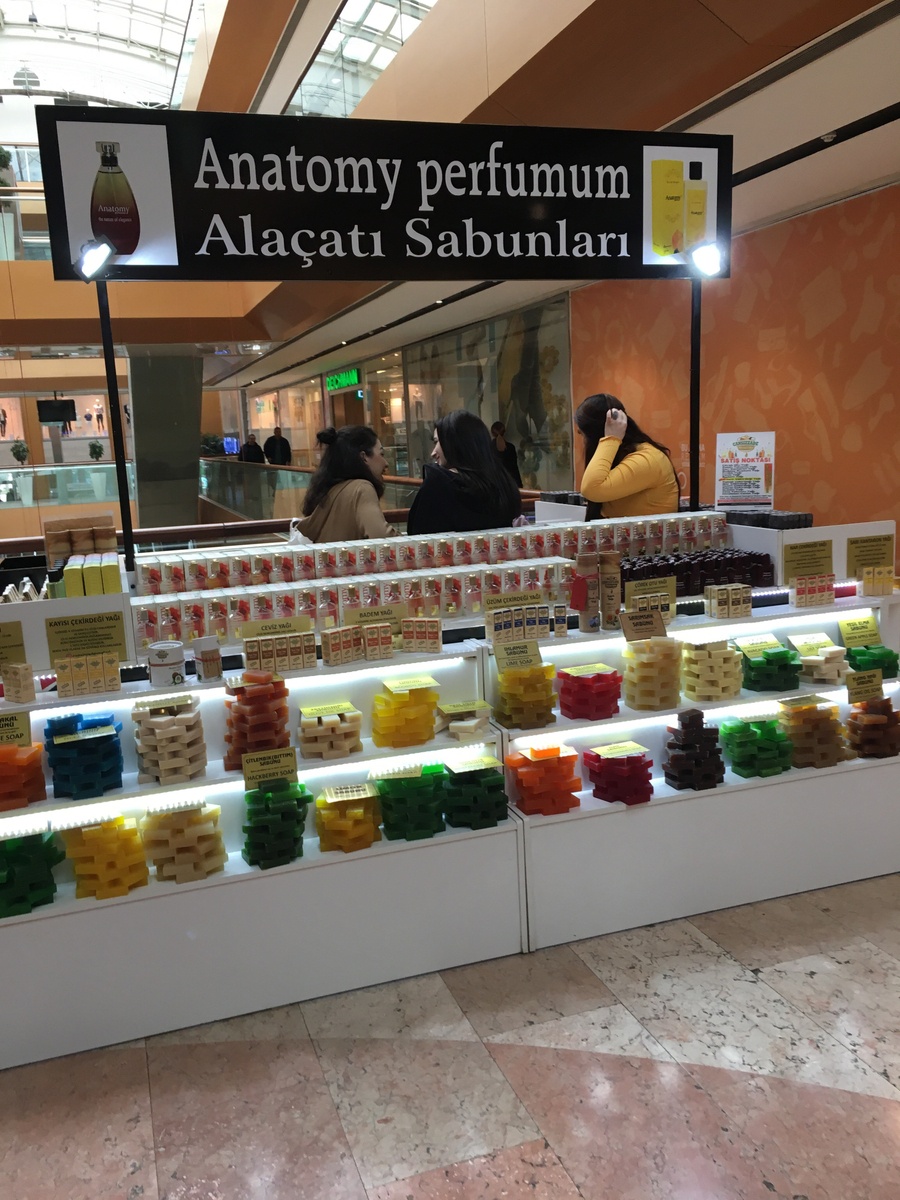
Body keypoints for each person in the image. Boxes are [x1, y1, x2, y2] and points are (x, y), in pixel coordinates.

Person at [406, 410, 522, 535]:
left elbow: (418, 534)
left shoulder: (438, 485)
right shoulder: (505, 486)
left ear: (452, 443)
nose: (433, 453)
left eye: (437, 442)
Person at [576, 393, 679, 518]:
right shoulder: (621, 456)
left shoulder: (647, 459)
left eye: (582, 434)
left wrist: (611, 438)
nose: (584, 442)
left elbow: (591, 489)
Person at [296, 425, 396, 542]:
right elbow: (382, 537)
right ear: (363, 457)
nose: (385, 463)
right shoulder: (362, 489)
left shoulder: (330, 489)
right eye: (381, 454)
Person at [490, 421, 523, 488]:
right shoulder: (511, 447)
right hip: (509, 485)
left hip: (493, 485)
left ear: (492, 433)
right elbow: (514, 469)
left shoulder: (487, 448)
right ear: (504, 432)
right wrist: (519, 486)